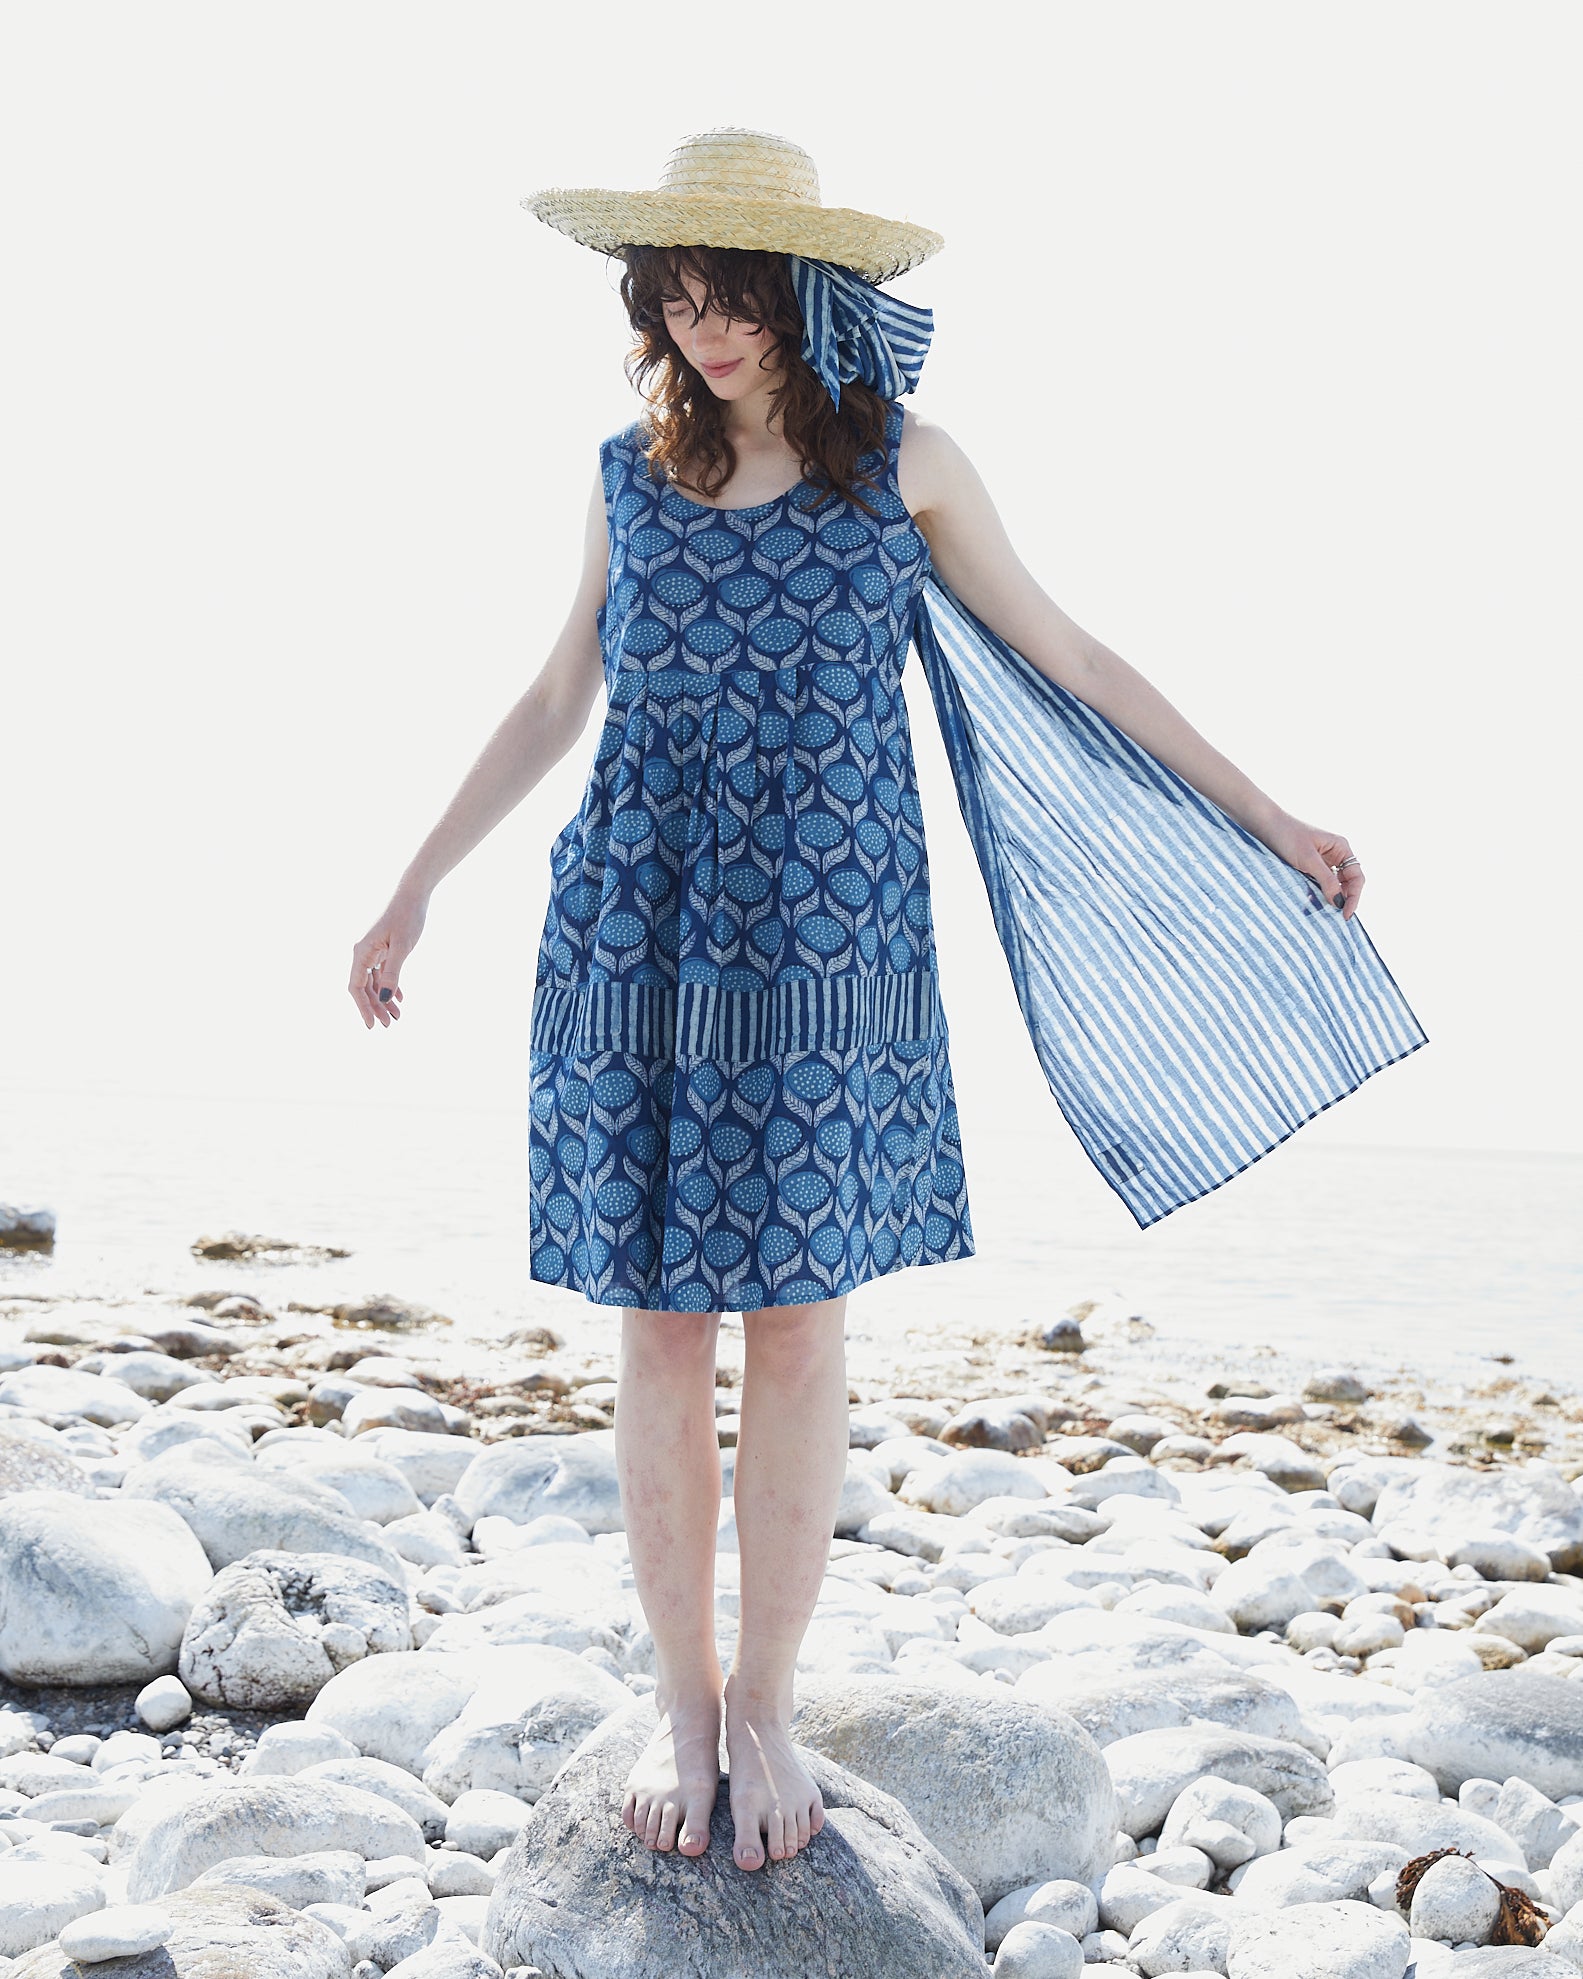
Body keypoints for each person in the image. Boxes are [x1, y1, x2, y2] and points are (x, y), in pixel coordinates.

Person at [348, 129, 1426, 1876]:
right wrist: (414, 883)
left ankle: (766, 1701)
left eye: (734, 298)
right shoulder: (629, 476)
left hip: (827, 949)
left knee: (795, 1323)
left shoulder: (909, 467)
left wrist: (1272, 813)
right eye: (677, 299)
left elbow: (1073, 658)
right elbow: (560, 693)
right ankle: (679, 1702)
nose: (704, 331)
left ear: (802, 293)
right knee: (653, 1323)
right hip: (639, 923)